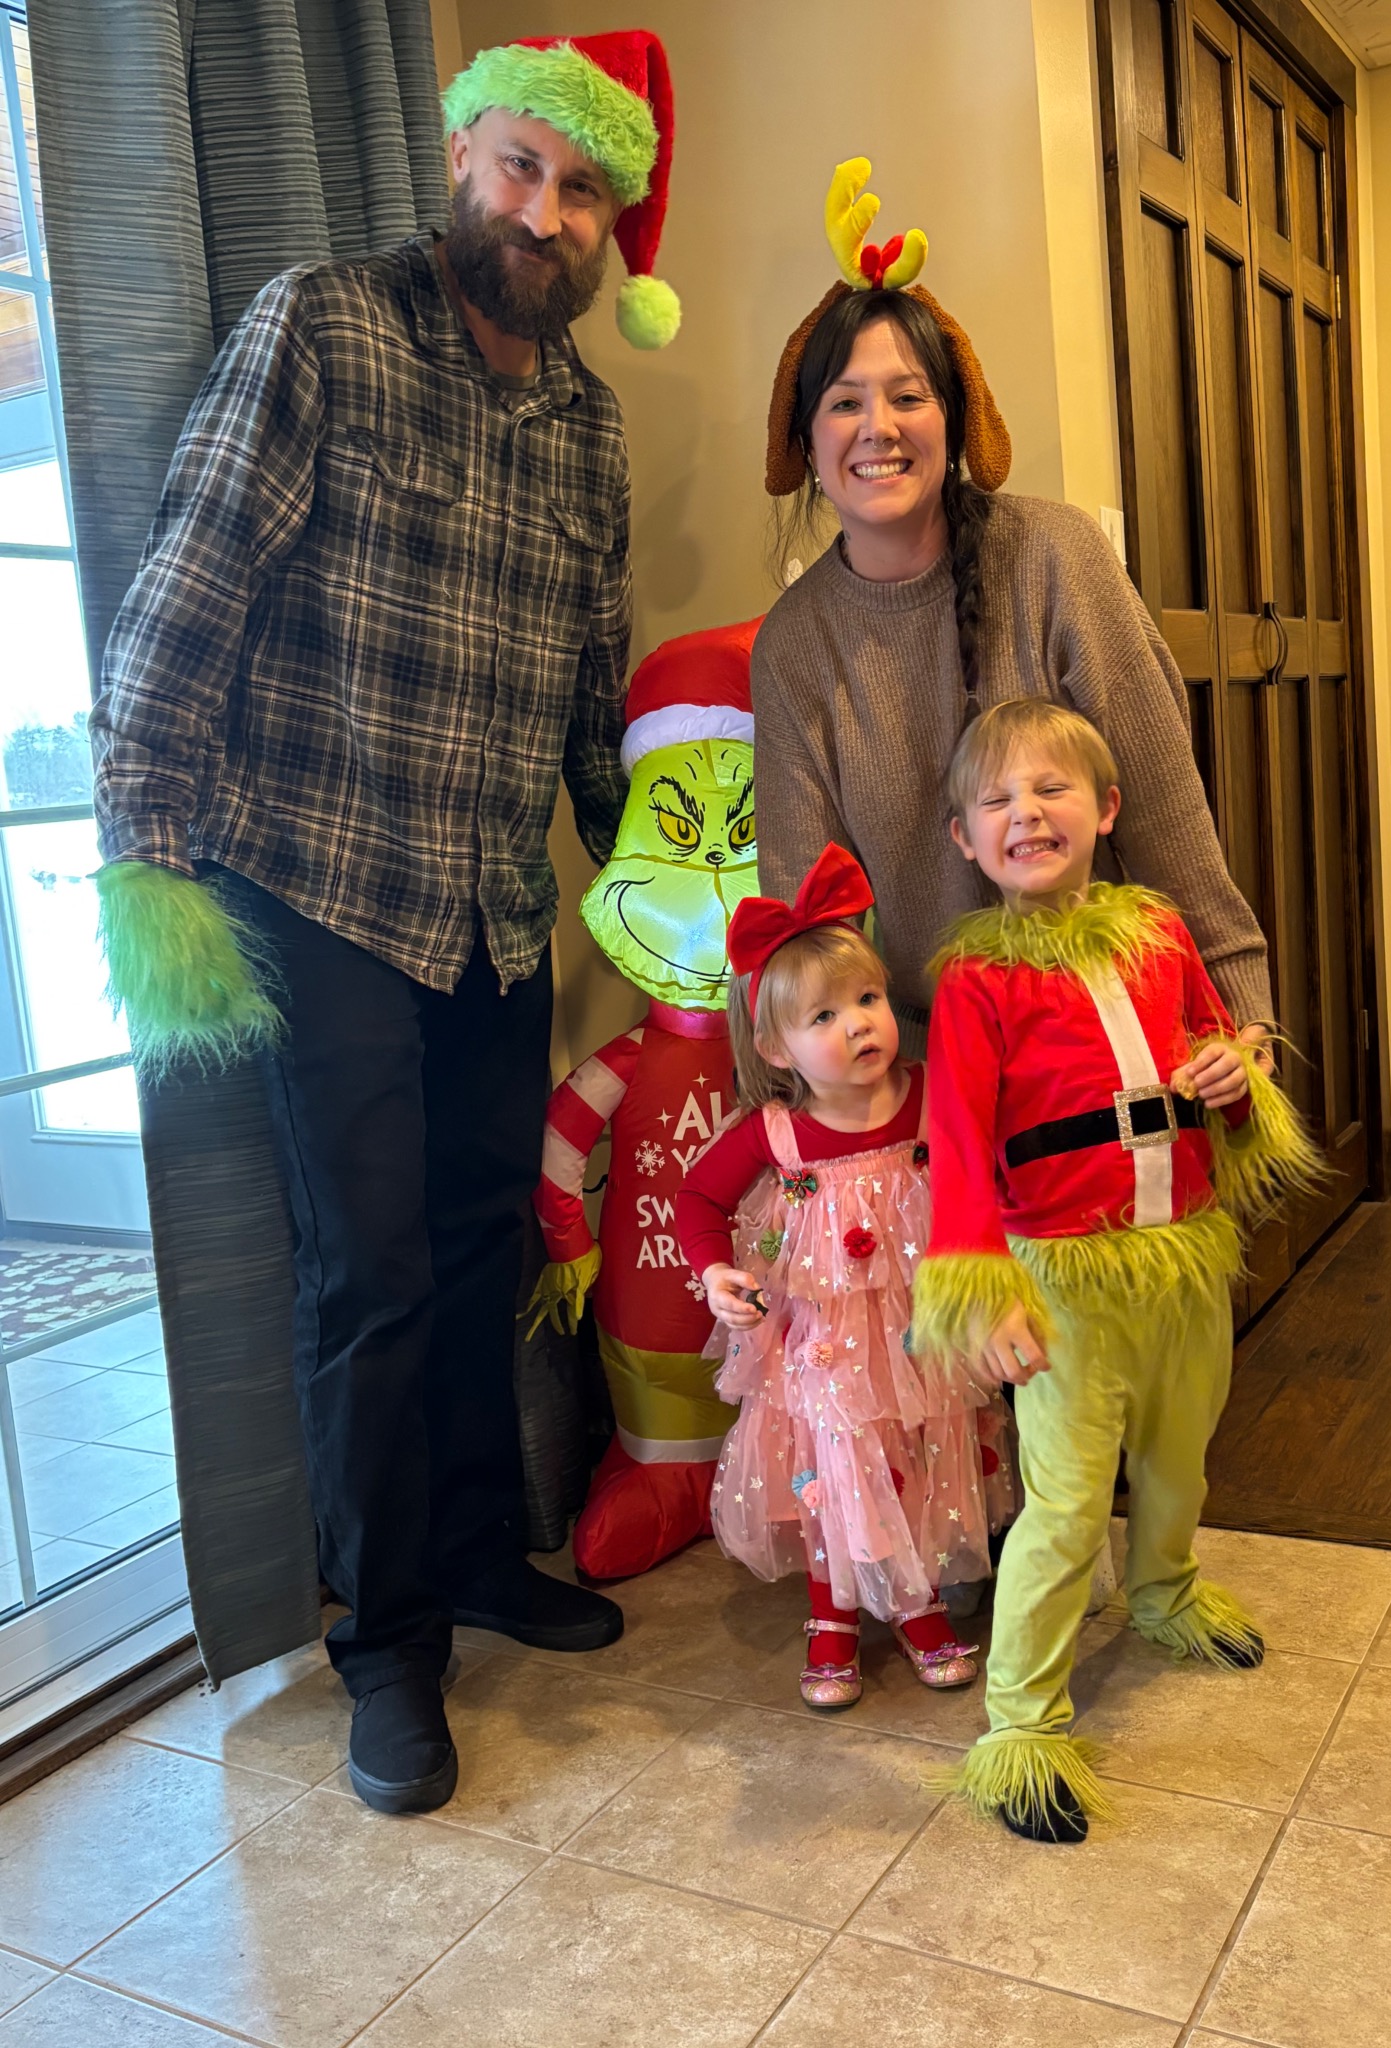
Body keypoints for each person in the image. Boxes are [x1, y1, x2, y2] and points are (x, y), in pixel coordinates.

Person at [90, 32, 683, 1817]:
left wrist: (662, 901)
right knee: (369, 1276)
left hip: (497, 908)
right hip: (324, 885)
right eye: (522, 167)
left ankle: (486, 1551)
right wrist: (146, 843)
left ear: (609, 232)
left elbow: (594, 694)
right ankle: (389, 1643)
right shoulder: (322, 327)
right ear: (461, 159)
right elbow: (190, 581)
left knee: (485, 1243)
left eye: (583, 192)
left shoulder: (589, 425)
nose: (544, 212)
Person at [911, 698, 1322, 1844]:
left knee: (1183, 1453)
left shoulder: (1164, 934)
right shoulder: (976, 981)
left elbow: (1220, 1054)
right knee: (1067, 1498)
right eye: (997, 798)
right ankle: (1021, 1720)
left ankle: (1165, 1587)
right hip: (1062, 1279)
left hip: (1183, 1255)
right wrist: (982, 1292)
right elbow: (957, 1144)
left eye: (1051, 787)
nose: (1026, 812)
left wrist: (1237, 1073)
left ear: (1107, 808)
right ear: (963, 838)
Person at [753, 157, 1274, 1054]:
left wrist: (1242, 1020)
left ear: (955, 421)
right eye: (844, 404)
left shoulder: (1055, 557)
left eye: (909, 397)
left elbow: (1165, 817)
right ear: (804, 439)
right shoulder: (794, 645)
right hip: (936, 1064)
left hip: (1117, 1038)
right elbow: (807, 922)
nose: (879, 428)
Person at [677, 844, 1017, 1711]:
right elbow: (698, 1199)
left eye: (868, 1000)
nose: (859, 1024)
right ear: (775, 1046)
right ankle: (830, 1612)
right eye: (824, 1016)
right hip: (823, 1349)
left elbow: (988, 1166)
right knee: (840, 1464)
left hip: (924, 1337)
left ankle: (919, 1602)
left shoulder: (930, 1095)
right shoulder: (775, 1131)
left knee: (925, 1453)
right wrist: (715, 1271)